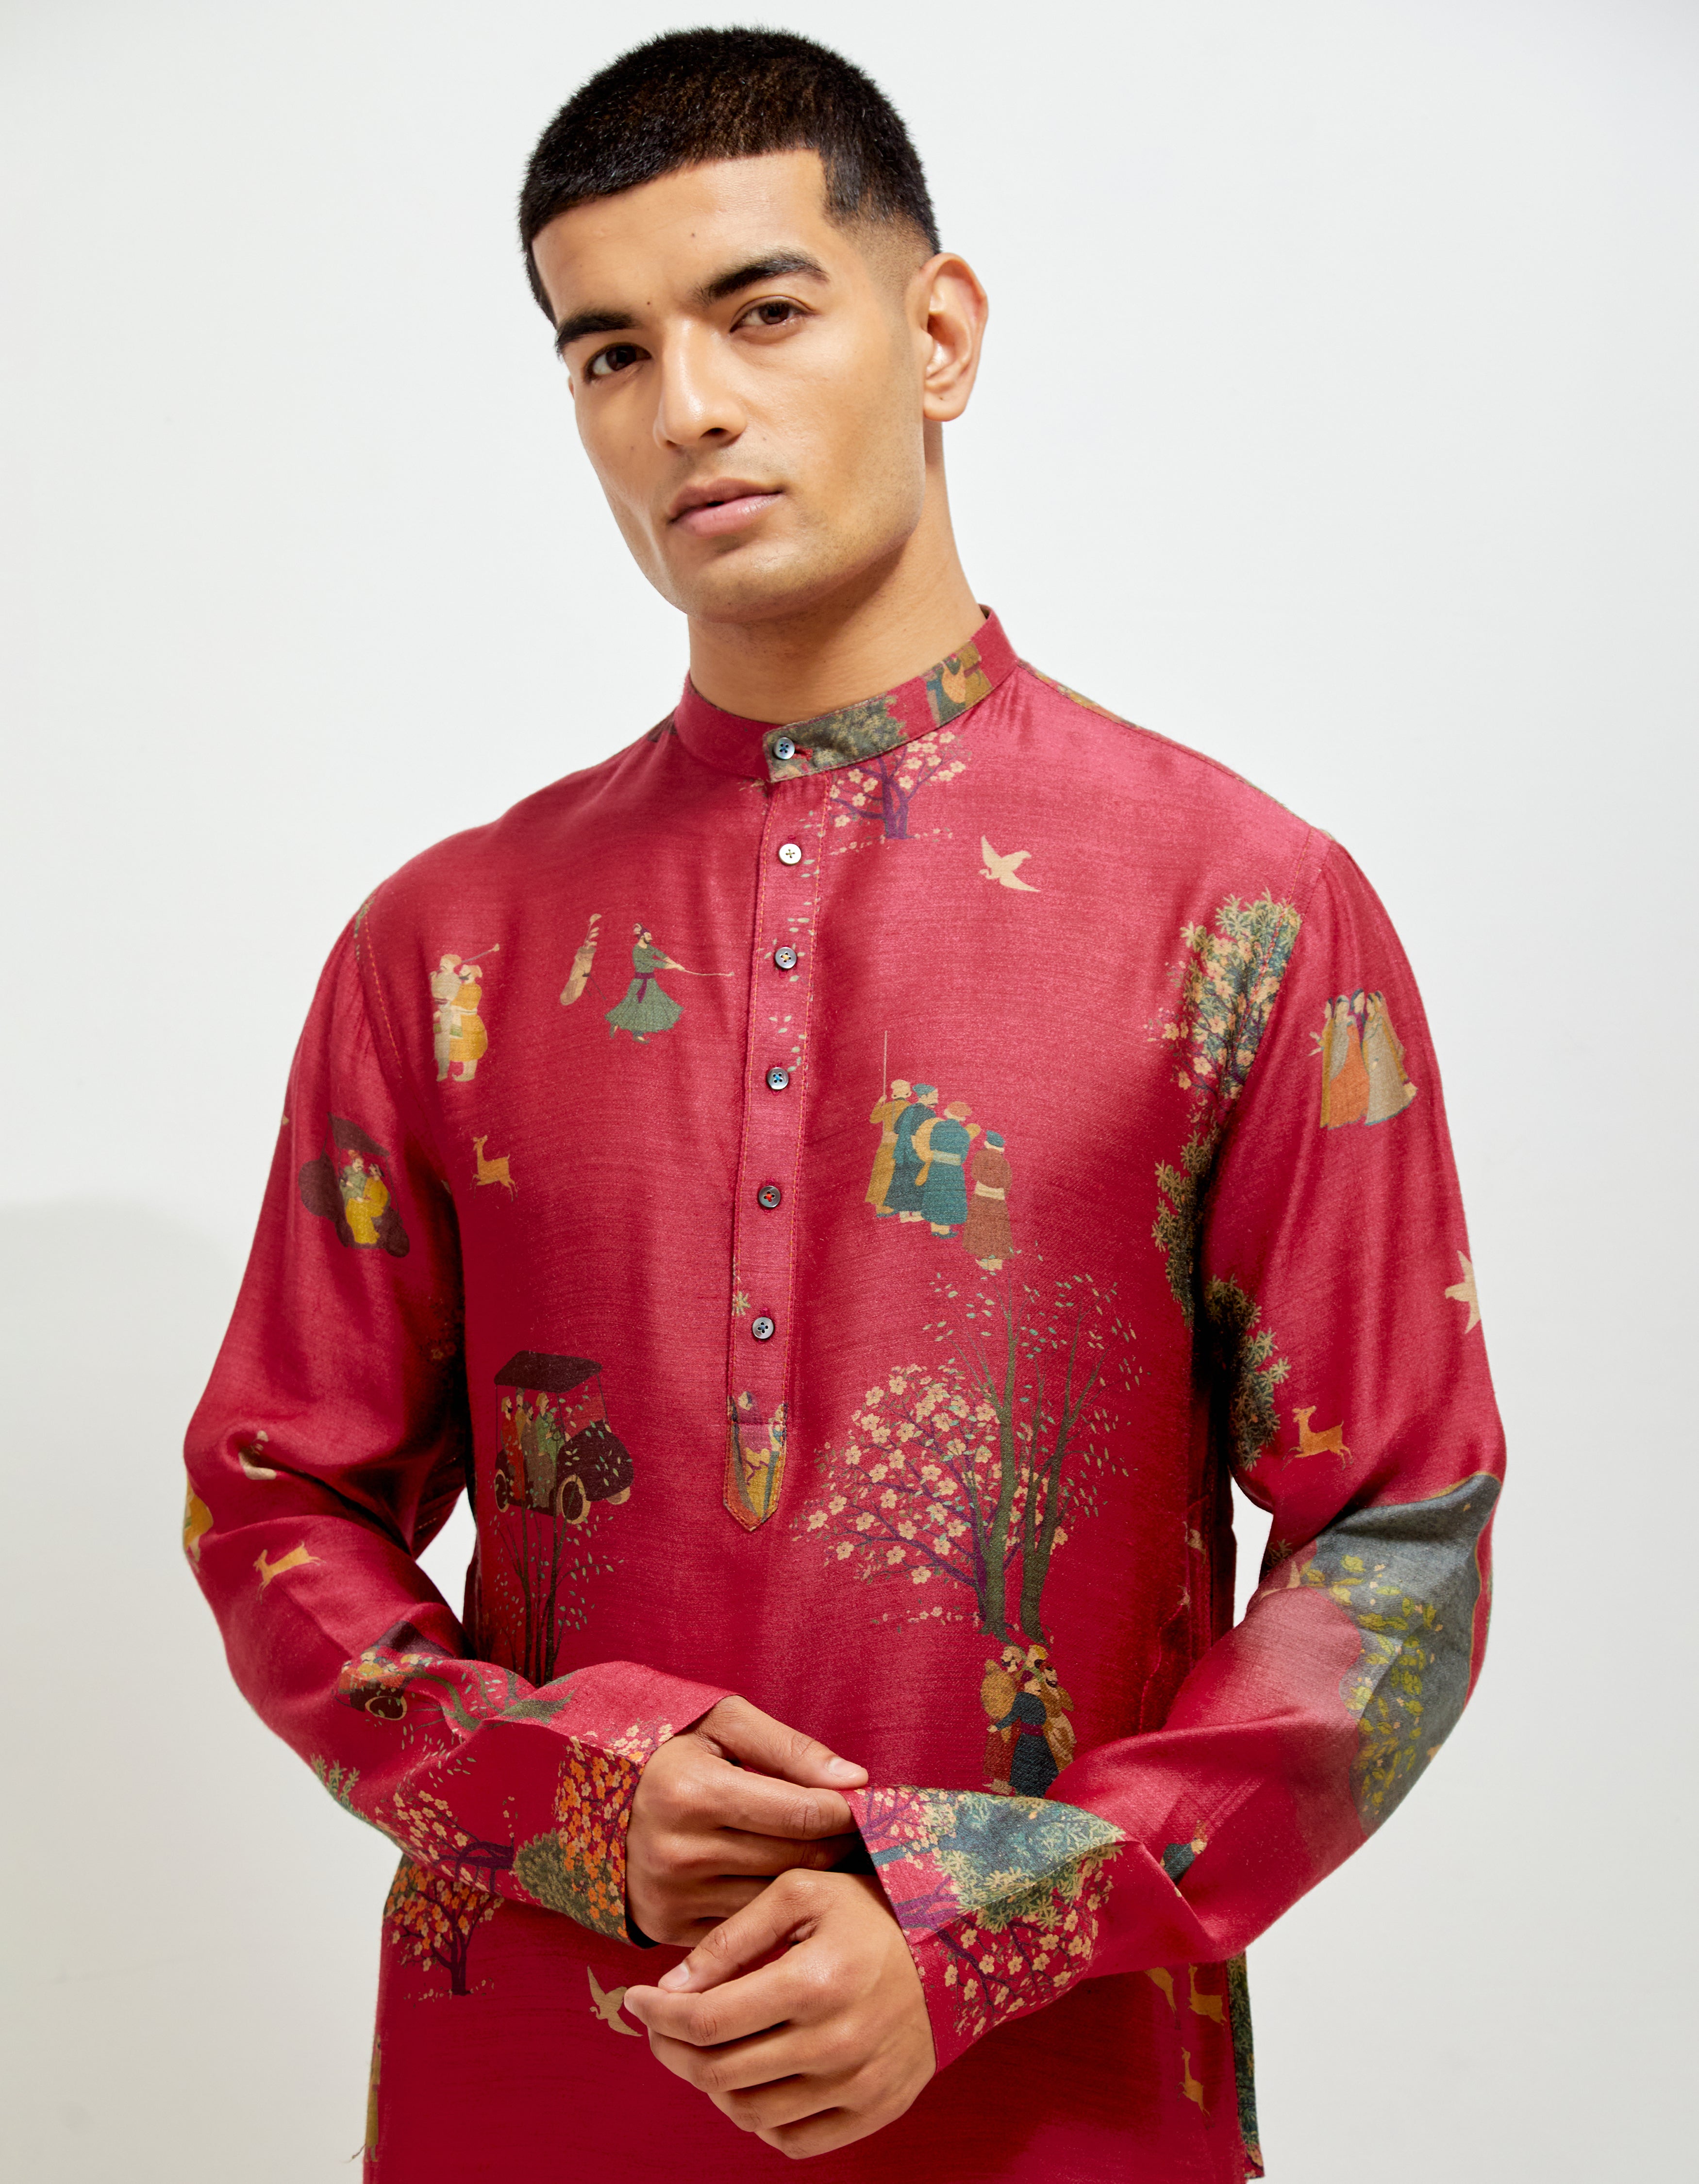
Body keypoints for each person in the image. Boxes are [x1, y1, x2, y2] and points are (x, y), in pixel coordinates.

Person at [183, 28, 1504, 2184]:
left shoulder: (1241, 910)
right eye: (608, 353)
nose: (686, 407)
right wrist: (564, 1792)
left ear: (939, 332)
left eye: (762, 312)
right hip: (539, 2092)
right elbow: (271, 1504)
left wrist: (983, 1916)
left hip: (1056, 2101)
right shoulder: (442, 945)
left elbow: (1400, 1545)